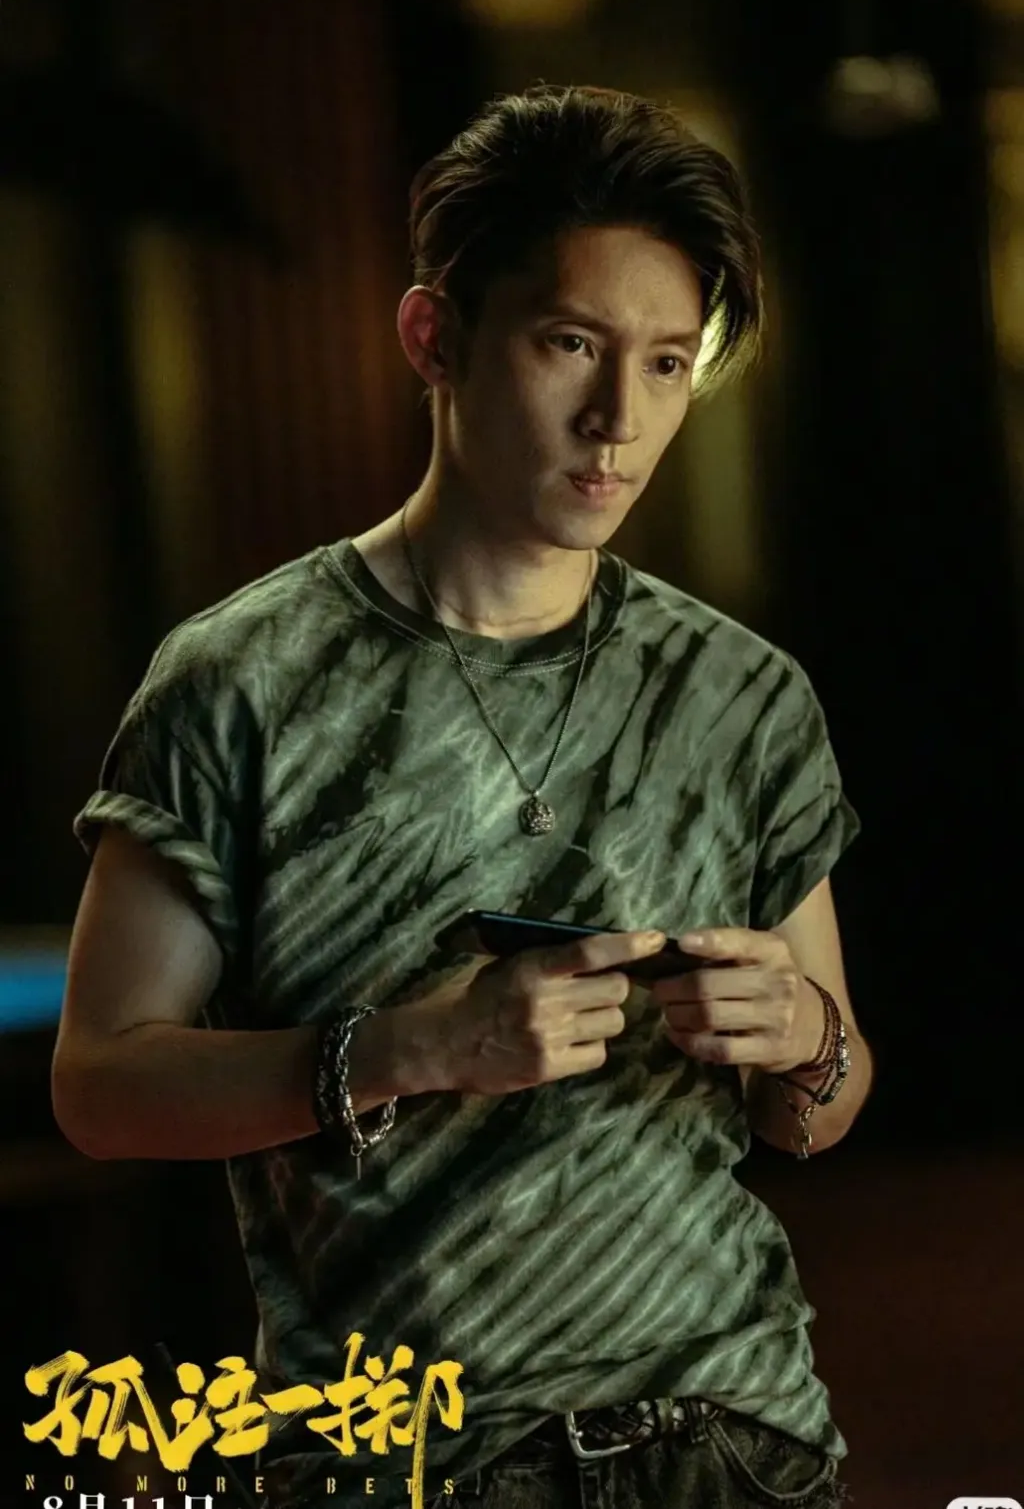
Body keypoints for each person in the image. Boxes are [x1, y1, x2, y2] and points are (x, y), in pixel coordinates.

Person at [53, 83, 870, 1509]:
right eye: (572, 344)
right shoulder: (243, 680)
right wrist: (413, 1048)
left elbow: (823, 1107)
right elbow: (101, 1088)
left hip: (731, 1438)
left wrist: (802, 1037)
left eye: (667, 363)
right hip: (407, 1457)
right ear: (436, 337)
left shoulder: (740, 694)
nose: (619, 419)